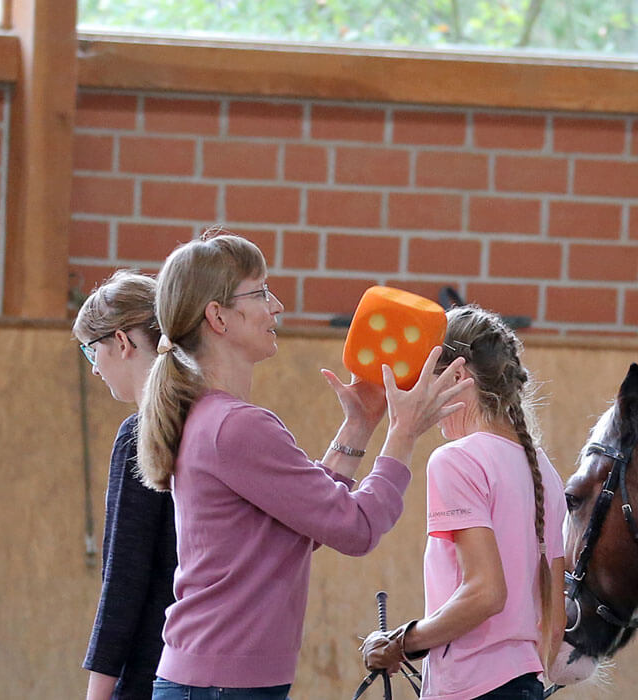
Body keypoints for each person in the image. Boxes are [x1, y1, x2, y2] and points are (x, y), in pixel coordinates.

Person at [136, 230, 472, 699]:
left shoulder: (216, 419)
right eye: (260, 293)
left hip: (215, 681)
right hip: (220, 686)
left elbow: (304, 523)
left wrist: (359, 426)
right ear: (218, 316)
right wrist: (403, 433)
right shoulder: (237, 427)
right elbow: (356, 529)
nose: (276, 308)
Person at [357, 304, 568, 700]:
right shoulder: (543, 471)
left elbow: (486, 593)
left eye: (429, 381)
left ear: (457, 376)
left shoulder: (456, 459)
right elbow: (554, 624)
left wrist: (402, 643)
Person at [76, 270, 178, 700]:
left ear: (121, 342)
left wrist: (98, 691)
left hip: (149, 667)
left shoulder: (142, 434)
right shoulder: (214, 419)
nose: (95, 368)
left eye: (91, 350)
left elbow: (124, 577)